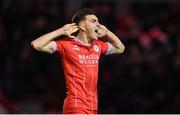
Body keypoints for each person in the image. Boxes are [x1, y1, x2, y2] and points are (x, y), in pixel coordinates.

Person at [31, 8, 125, 114]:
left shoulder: (98, 46)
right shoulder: (66, 45)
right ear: (82, 26)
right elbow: (36, 44)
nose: (98, 25)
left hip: (93, 107)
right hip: (76, 106)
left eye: (98, 21)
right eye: (93, 21)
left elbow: (120, 48)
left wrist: (107, 32)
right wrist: (60, 31)